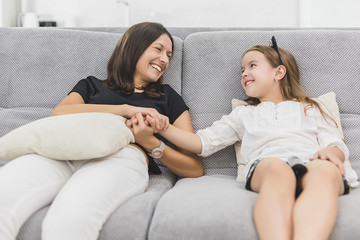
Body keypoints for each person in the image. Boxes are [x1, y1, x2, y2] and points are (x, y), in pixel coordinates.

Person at [132, 36, 351, 240]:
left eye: (252, 66)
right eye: (242, 69)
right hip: (269, 165)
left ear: (279, 72)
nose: (244, 73)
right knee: (277, 169)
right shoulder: (243, 114)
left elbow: (335, 142)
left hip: (311, 161)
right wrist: (164, 128)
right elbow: (202, 143)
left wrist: (331, 153)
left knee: (325, 171)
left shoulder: (312, 107)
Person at [0, 22, 202, 240]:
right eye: (158, 49)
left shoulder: (167, 96)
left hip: (121, 157)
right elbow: (60, 113)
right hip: (63, 152)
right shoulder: (91, 85)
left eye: (169, 55)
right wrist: (126, 109)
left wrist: (150, 143)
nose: (165, 60)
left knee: (70, 219)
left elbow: (194, 168)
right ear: (134, 47)